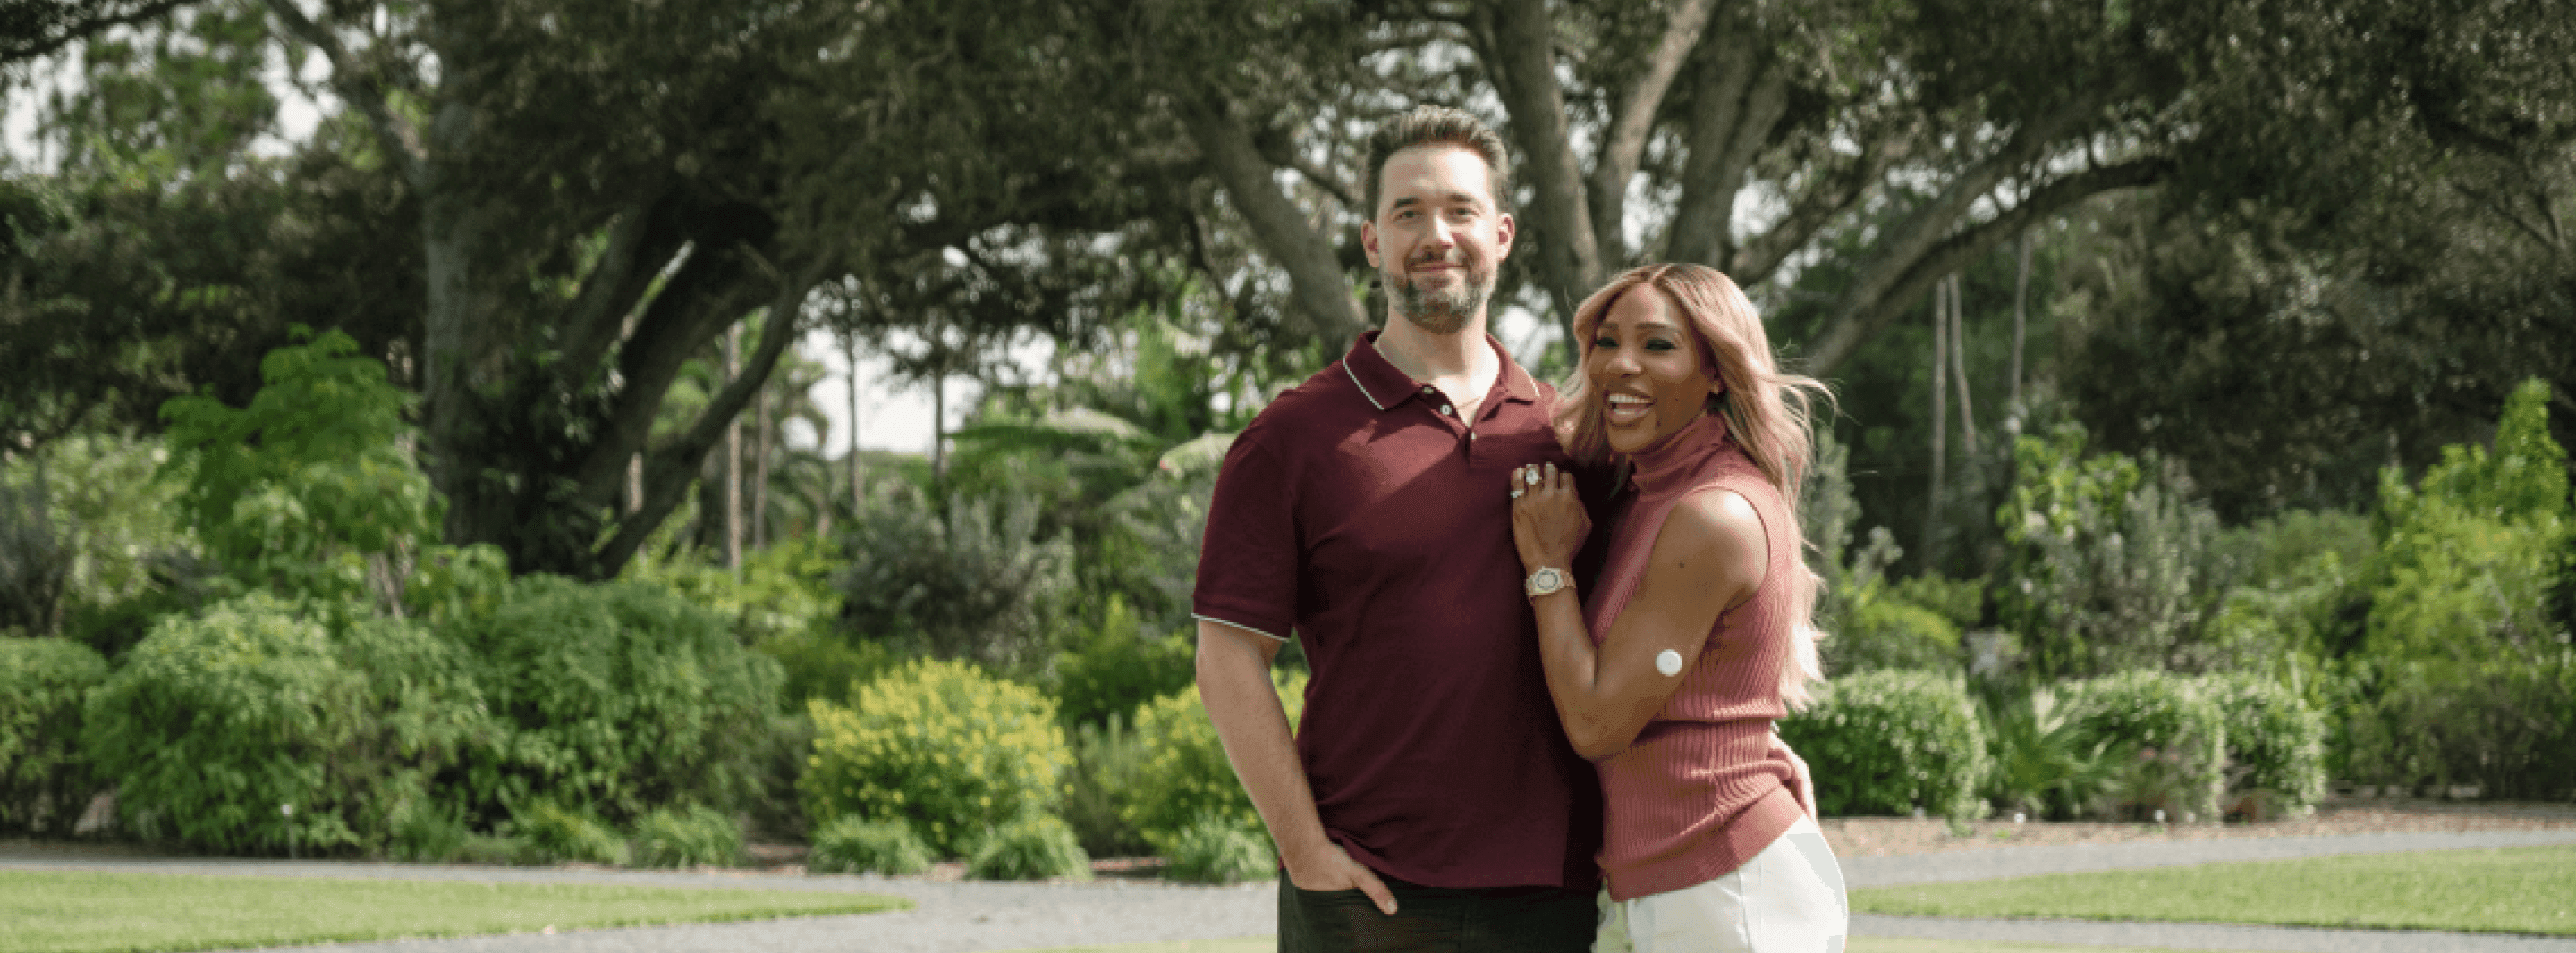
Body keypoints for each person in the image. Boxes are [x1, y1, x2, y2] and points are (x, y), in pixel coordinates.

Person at [1191, 105, 1601, 953]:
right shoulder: (1291, 439)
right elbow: (1228, 657)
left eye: (1457, 210)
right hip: (1362, 894)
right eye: (1407, 213)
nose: (1435, 235)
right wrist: (1305, 852)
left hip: (1552, 888)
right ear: (1373, 243)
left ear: (1502, 232)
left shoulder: (1572, 434)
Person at [1506, 263, 1846, 952]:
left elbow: (1598, 723)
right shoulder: (1648, 494)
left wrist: (1546, 568)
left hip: (1731, 888)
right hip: (1682, 884)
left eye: (1658, 345)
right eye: (1606, 342)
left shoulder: (1711, 514)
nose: (1619, 365)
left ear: (1716, 370)